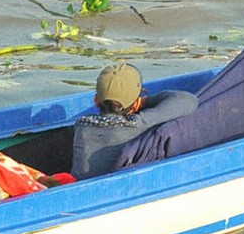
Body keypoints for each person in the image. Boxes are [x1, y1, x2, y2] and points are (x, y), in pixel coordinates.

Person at [70, 63, 199, 179]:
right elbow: (188, 100)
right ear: (136, 103)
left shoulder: (82, 126)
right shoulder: (137, 124)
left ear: (96, 100)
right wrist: (145, 101)